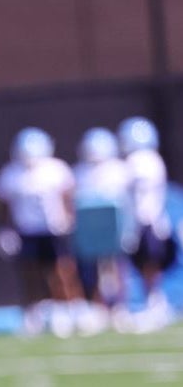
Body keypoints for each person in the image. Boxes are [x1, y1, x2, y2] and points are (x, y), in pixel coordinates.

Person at [0, 127, 85, 337]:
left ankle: (67, 311)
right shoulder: (11, 173)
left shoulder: (56, 169)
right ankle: (34, 313)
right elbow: (4, 205)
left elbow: (68, 196)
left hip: (54, 229)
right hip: (26, 230)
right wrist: (6, 230)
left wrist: (70, 218)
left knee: (61, 271)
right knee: (30, 273)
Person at [70, 127, 134, 334]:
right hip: (91, 230)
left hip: (114, 227)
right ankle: (99, 308)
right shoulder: (79, 171)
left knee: (116, 268)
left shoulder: (119, 170)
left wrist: (129, 227)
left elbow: (127, 202)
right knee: (92, 270)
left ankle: (119, 307)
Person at [118, 116, 177, 331]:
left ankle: (155, 303)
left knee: (149, 264)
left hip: (146, 221)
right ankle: (151, 302)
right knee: (144, 265)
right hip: (146, 221)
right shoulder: (150, 160)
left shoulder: (143, 160)